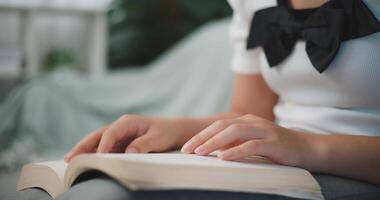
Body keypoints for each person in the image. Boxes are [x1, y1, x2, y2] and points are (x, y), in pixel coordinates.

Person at [10, 0, 380, 199]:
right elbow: (248, 114)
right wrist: (170, 127)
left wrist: (308, 146)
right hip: (278, 164)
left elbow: (293, 140)